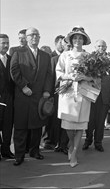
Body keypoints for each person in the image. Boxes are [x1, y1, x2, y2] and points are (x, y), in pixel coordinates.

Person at [10, 27, 52, 166]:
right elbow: (14, 71)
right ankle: (19, 155)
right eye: (31, 35)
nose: (34, 37)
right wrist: (23, 86)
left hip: (39, 97)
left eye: (37, 35)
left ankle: (35, 151)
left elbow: (48, 75)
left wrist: (47, 90)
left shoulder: (45, 56)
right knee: (21, 127)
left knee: (37, 126)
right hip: (23, 95)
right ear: (26, 37)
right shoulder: (18, 52)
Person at [56, 26, 93, 167]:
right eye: (75, 38)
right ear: (71, 40)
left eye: (80, 38)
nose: (78, 40)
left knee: (80, 125)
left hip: (83, 93)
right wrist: (69, 76)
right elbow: (58, 72)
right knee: (69, 126)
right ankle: (71, 144)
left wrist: (85, 76)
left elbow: (95, 76)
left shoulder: (89, 57)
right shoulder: (65, 55)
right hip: (68, 93)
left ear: (84, 41)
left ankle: (75, 153)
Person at [82, 39, 110, 152]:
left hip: (104, 95)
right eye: (99, 46)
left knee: (101, 121)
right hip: (91, 94)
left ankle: (98, 142)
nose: (101, 48)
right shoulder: (90, 60)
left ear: (106, 47)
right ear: (95, 48)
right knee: (90, 120)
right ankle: (88, 139)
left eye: (103, 46)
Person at [51, 38, 72, 155]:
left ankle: (64, 144)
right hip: (56, 94)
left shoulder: (75, 59)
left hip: (70, 94)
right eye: (67, 46)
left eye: (70, 46)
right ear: (63, 46)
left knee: (67, 120)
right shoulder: (54, 59)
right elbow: (50, 78)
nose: (69, 48)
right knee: (56, 120)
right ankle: (56, 142)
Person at [0, 34, 14, 160]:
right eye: (3, 43)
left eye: (7, 43)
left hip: (9, 99)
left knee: (8, 126)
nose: (5, 45)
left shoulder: (11, 59)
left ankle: (6, 150)